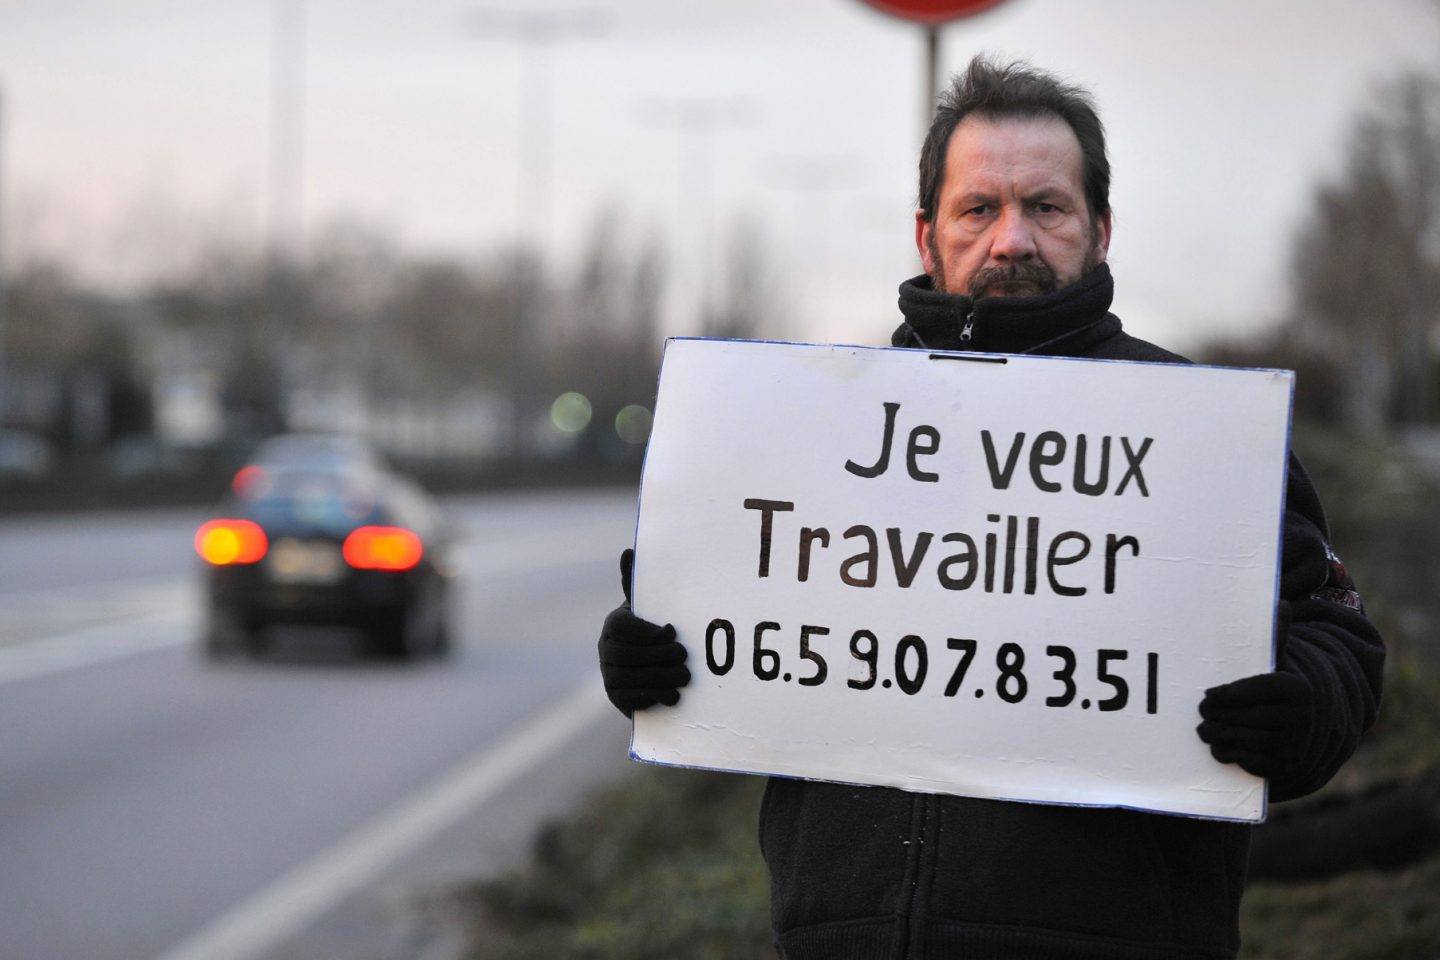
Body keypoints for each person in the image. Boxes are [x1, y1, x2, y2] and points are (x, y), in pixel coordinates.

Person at [597, 55, 1385, 960]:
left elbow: (1340, 640)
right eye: (979, 208)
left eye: (1046, 207)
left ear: (1100, 229)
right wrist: (652, 657)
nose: (1012, 240)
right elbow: (739, 617)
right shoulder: (816, 427)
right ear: (928, 236)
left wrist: (1301, 704)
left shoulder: (1201, 431)